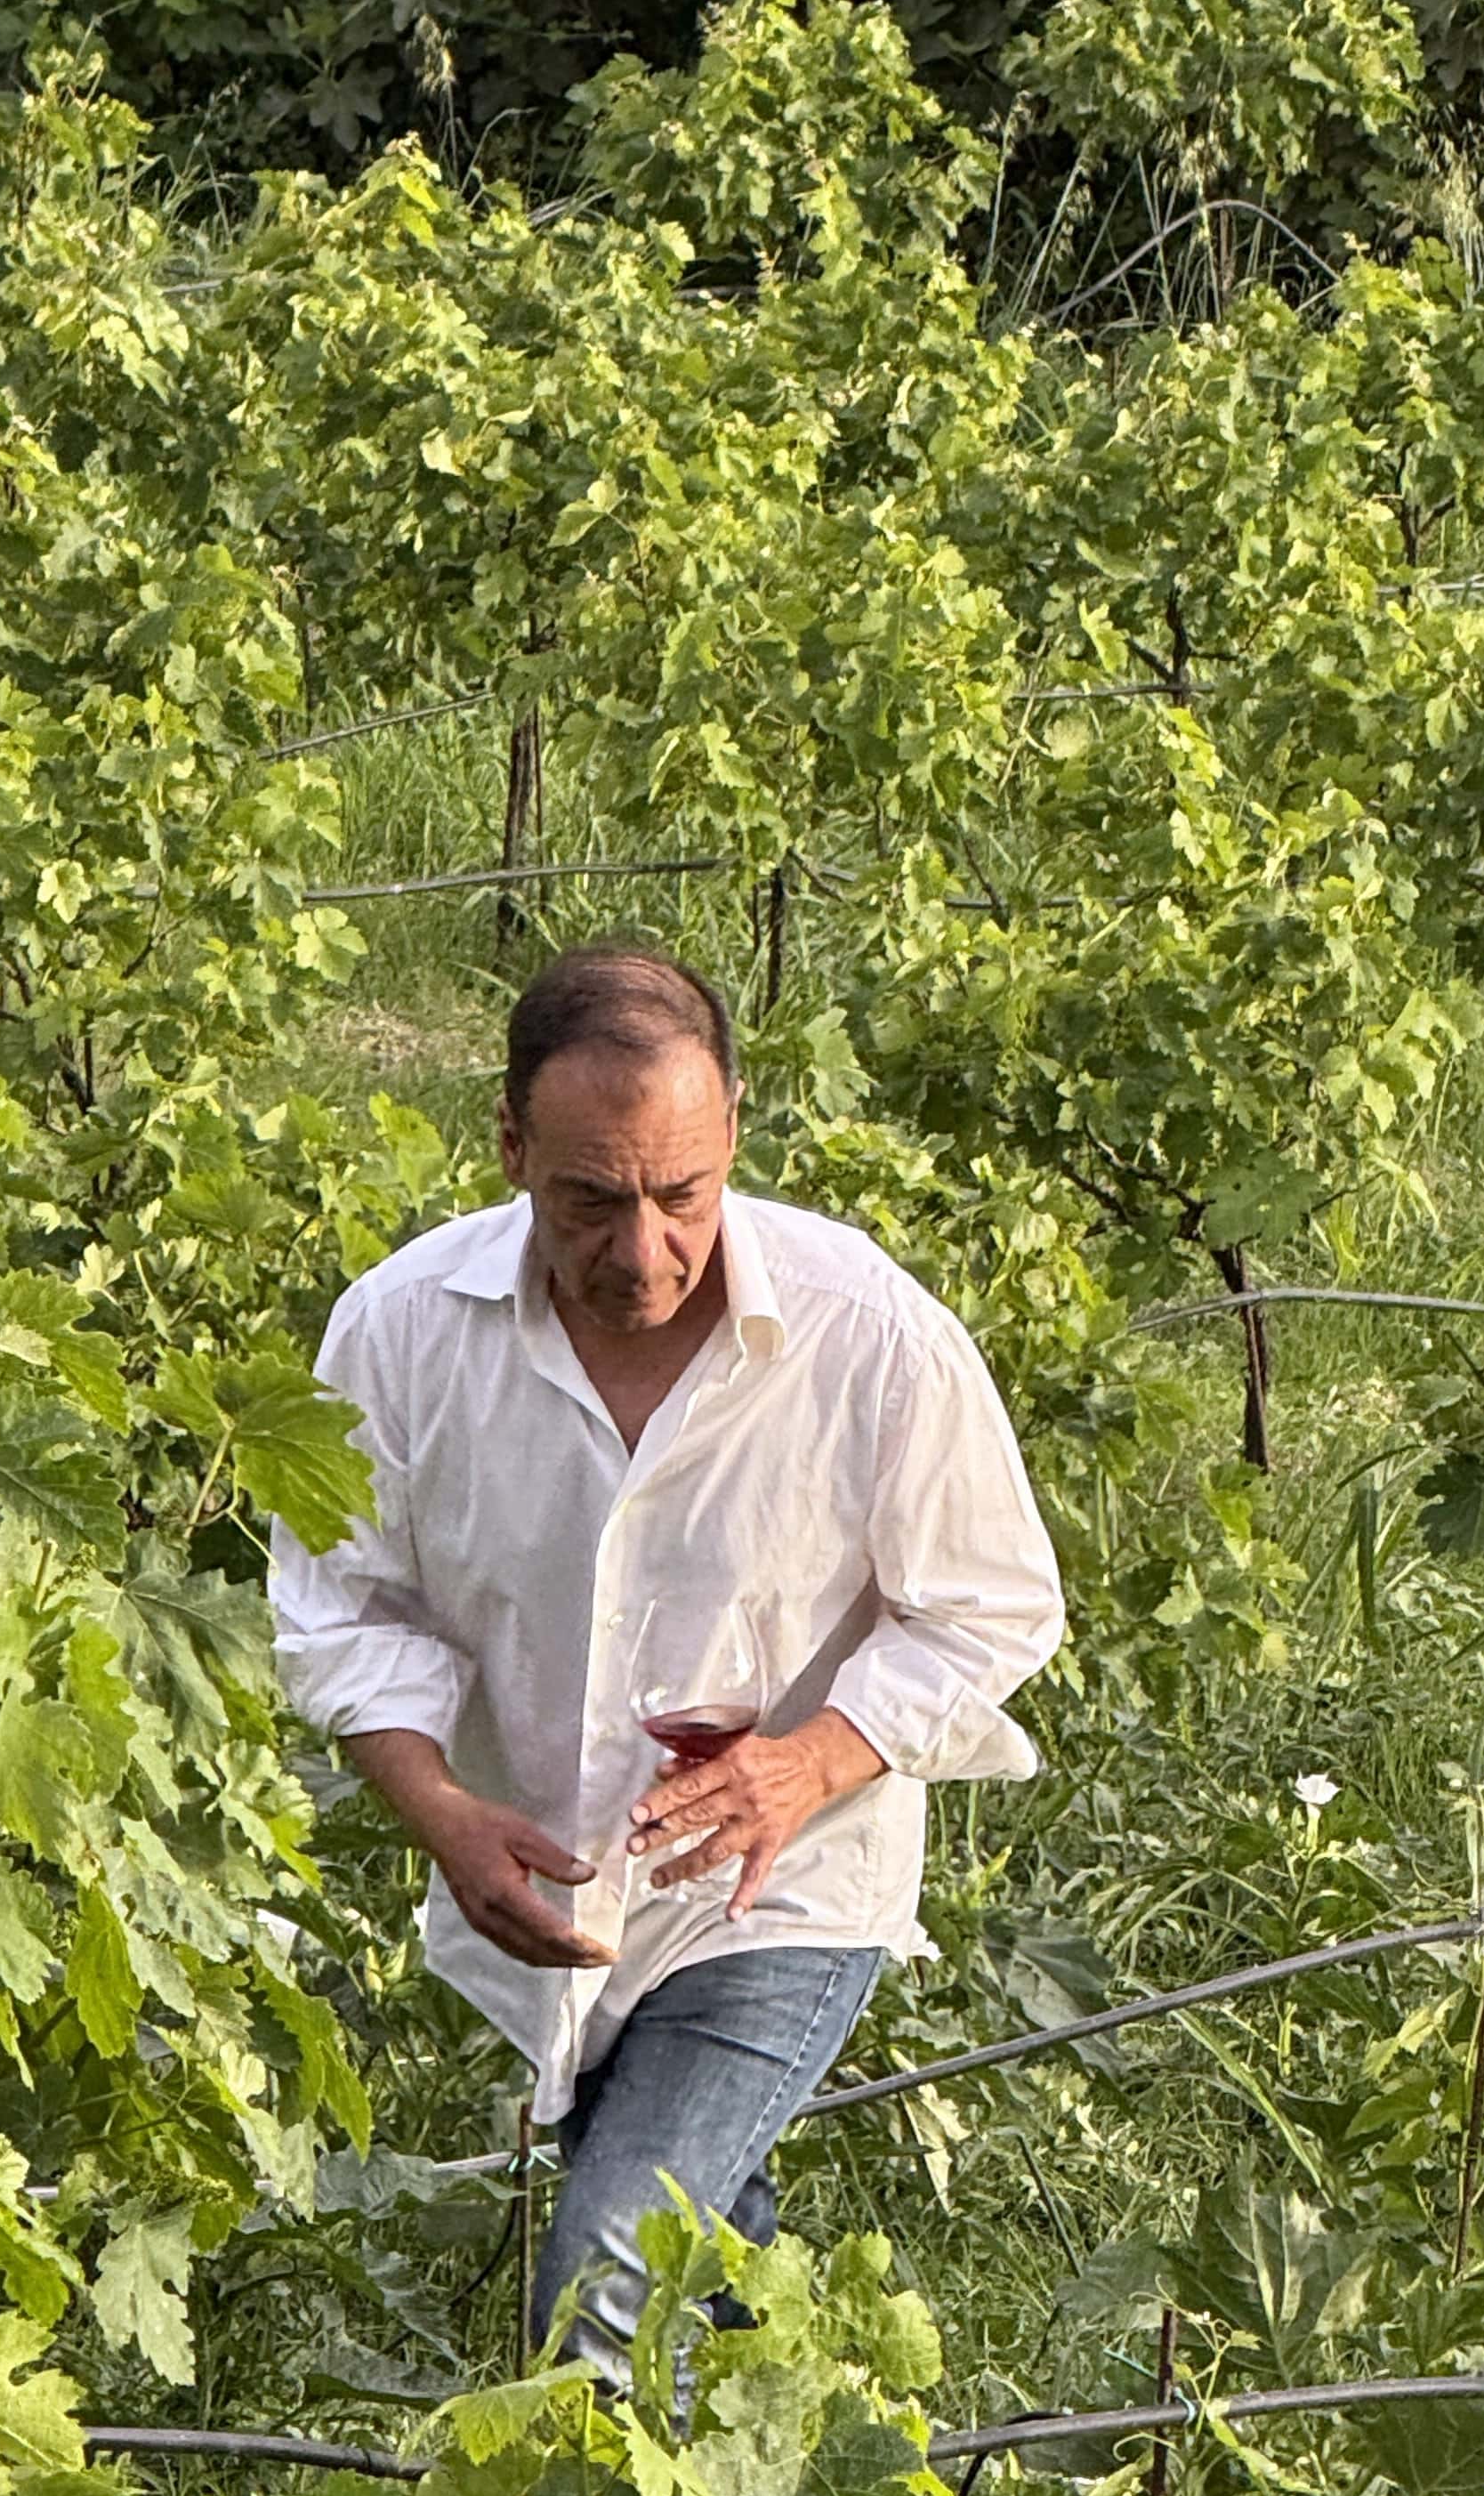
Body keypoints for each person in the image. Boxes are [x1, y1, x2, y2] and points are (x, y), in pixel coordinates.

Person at [270, 944, 1064, 2380]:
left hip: (786, 1889)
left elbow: (994, 1606)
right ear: (509, 1146)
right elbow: (340, 1611)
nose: (643, 1251)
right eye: (590, 1199)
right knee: (715, 2250)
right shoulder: (399, 1336)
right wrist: (443, 1818)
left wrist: (804, 1768)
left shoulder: (865, 1334)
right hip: (556, 1897)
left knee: (608, 2272)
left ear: (734, 1137)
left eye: (680, 1195)